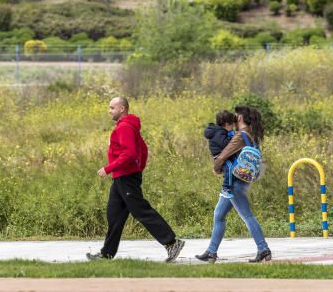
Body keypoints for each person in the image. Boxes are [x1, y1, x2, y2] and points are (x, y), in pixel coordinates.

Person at [87, 96, 185, 262]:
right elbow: (143, 149)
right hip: (121, 178)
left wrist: (109, 168)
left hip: (126, 177)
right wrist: (138, 168)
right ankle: (107, 253)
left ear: (122, 109)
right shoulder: (126, 127)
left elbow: (131, 153)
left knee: (141, 210)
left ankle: (172, 243)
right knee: (114, 214)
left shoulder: (125, 127)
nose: (109, 111)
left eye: (112, 108)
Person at [195, 105, 271, 263]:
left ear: (240, 119)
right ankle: (211, 252)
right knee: (219, 215)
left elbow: (223, 156)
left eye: (236, 117)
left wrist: (216, 167)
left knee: (247, 215)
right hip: (240, 180)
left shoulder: (239, 136)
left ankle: (263, 249)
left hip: (235, 183)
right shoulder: (249, 135)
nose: (234, 120)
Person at [203, 110, 237, 198]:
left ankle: (229, 184)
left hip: (222, 155)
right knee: (229, 167)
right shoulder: (219, 132)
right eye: (232, 125)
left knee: (231, 167)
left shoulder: (220, 131)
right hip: (219, 156)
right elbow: (225, 144)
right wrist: (232, 137)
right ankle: (225, 189)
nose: (233, 127)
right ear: (226, 124)